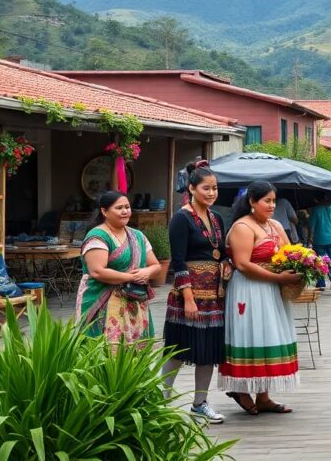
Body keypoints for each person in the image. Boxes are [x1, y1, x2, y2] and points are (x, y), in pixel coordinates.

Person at [219, 181, 302, 415]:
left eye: (274, 201)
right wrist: (278, 278)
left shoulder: (275, 225)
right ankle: (241, 389)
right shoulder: (242, 227)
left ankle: (263, 395)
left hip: (272, 289)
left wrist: (303, 264)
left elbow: (290, 252)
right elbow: (243, 264)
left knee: (267, 334)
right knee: (251, 334)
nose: (272, 205)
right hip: (250, 289)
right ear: (252, 202)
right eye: (267, 200)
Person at [161, 160, 227, 424]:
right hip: (188, 293)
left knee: (208, 350)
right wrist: (188, 297)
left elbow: (220, 251)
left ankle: (200, 403)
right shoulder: (181, 218)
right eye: (206, 188)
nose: (211, 193)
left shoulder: (217, 217)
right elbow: (178, 260)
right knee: (179, 347)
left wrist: (226, 264)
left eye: (215, 188)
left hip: (213, 294)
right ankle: (161, 397)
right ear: (191, 188)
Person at [76, 191, 163, 346]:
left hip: (134, 301)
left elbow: (156, 265)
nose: (125, 211)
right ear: (104, 211)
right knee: (104, 353)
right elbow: (97, 271)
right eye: (119, 208)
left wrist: (146, 272)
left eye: (127, 207)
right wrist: (132, 277)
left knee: (134, 355)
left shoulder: (137, 236)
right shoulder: (98, 236)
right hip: (102, 302)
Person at [307, 195, 331, 294]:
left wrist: (309, 238)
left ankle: (321, 284)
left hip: (319, 240)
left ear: (316, 199)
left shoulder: (315, 210)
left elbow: (311, 226)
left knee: (319, 261)